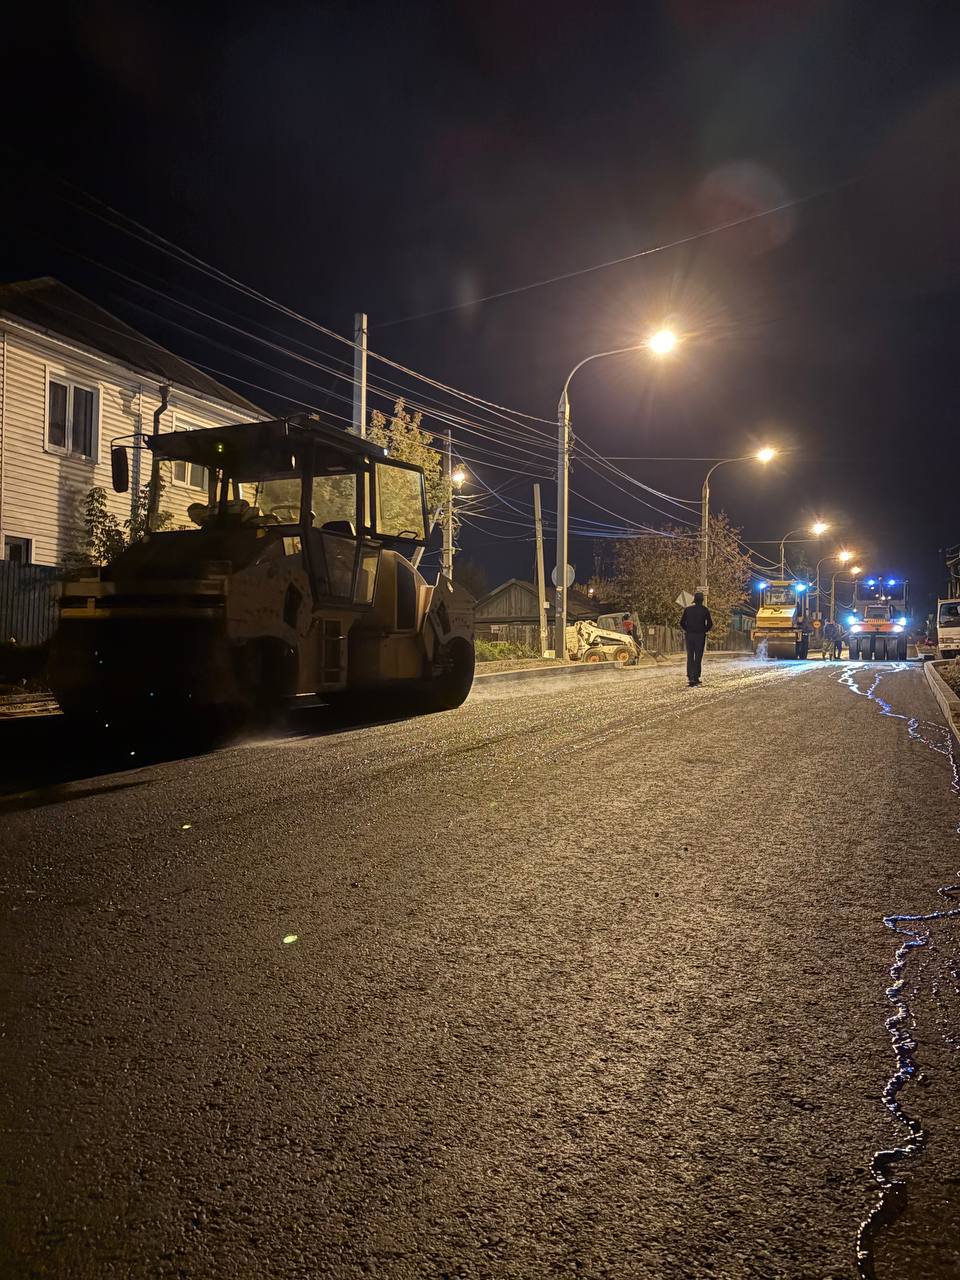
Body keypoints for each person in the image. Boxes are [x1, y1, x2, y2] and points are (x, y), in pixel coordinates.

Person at [680, 591, 713, 686]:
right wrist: (704, 630)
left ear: (694, 600)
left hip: (689, 635)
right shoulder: (705, 610)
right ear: (702, 600)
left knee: (690, 655)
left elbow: (682, 622)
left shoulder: (688, 610)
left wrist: (687, 629)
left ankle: (690, 676)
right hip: (700, 636)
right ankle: (696, 676)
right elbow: (710, 624)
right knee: (698, 656)